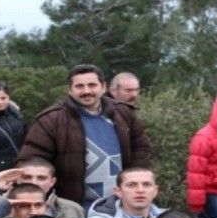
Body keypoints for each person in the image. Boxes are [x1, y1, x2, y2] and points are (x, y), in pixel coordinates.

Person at [18, 63, 151, 209]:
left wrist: (135, 186)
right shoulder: (51, 120)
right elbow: (32, 162)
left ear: (103, 87)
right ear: (70, 90)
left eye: (92, 85)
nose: (86, 91)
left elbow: (141, 150)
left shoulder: (123, 113)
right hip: (74, 208)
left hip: (121, 206)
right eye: (79, 86)